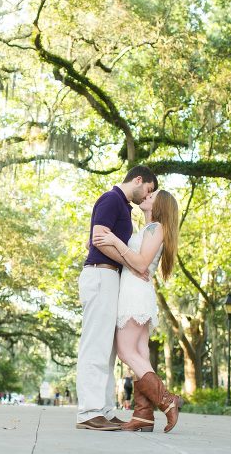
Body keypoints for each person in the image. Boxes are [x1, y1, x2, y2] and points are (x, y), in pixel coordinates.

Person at [75, 166, 158, 431]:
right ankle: (88, 412)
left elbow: (102, 241)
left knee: (108, 350)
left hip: (112, 279)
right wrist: (132, 264)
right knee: (95, 345)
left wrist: (129, 263)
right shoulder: (111, 199)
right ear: (138, 180)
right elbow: (99, 241)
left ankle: (104, 409)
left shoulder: (124, 208)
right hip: (100, 275)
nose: (148, 195)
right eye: (149, 189)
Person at [92, 189, 181, 433]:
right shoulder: (150, 229)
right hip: (137, 290)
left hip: (135, 292)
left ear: (160, 204)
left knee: (125, 351)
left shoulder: (156, 228)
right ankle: (143, 415)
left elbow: (141, 263)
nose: (146, 197)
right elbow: (138, 261)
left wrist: (114, 241)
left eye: (152, 196)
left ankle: (166, 399)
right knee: (140, 354)